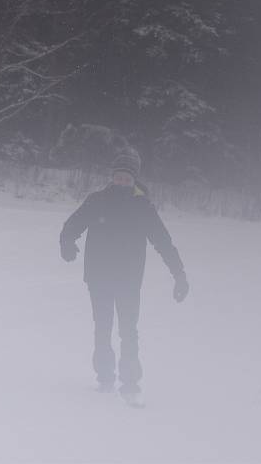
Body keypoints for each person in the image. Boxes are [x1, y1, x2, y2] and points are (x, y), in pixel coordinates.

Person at [59, 150, 189, 407]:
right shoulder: (97, 200)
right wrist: (66, 243)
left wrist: (179, 274)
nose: (121, 182)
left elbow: (163, 242)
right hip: (98, 278)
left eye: (126, 179)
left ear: (133, 181)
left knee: (129, 331)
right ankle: (105, 377)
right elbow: (71, 226)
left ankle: (130, 383)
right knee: (103, 328)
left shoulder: (143, 207)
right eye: (118, 178)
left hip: (129, 280)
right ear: (112, 177)